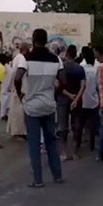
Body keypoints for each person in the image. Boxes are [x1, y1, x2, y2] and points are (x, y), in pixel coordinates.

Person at [15, 29, 64, 187]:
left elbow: (17, 78)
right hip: (49, 105)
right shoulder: (56, 59)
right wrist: (54, 94)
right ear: (46, 40)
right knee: (51, 142)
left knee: (34, 144)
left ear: (33, 39)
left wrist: (21, 95)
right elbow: (63, 81)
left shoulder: (25, 58)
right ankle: (57, 175)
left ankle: (38, 180)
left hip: (32, 106)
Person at [56, 45, 86, 161]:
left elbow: (57, 85)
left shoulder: (61, 67)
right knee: (76, 126)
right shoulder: (79, 68)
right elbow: (83, 86)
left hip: (62, 99)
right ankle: (74, 152)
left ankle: (64, 152)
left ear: (67, 54)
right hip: (77, 100)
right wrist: (76, 98)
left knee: (62, 126)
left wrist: (68, 94)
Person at [7, 42, 30, 140]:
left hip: (17, 88)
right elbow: (18, 76)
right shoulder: (21, 58)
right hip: (19, 89)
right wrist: (19, 91)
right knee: (19, 113)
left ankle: (19, 133)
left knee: (17, 111)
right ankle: (18, 133)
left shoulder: (17, 57)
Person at [80, 47, 100, 152]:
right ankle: (92, 145)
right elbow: (98, 85)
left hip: (83, 100)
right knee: (93, 125)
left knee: (81, 123)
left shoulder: (81, 67)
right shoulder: (96, 69)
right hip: (94, 100)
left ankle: (78, 144)